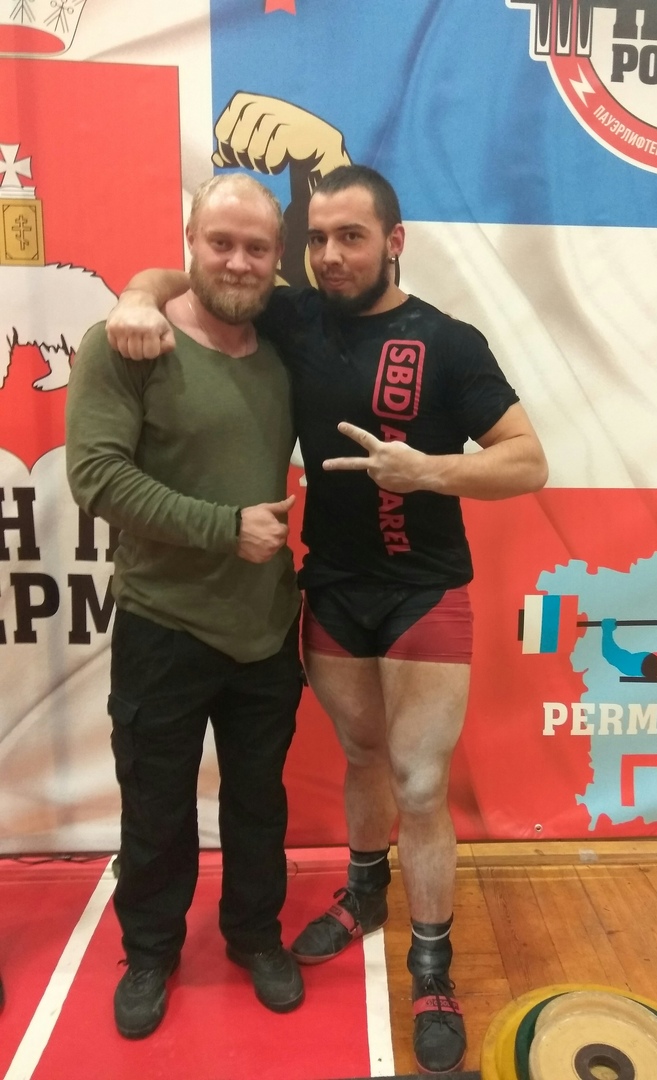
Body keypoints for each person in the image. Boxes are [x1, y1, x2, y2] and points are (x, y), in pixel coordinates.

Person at [105, 164, 549, 1073]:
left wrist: (430, 472)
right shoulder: (294, 314)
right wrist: (137, 296)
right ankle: (362, 891)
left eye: (352, 236)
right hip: (334, 588)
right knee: (362, 757)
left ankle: (432, 969)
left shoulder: (449, 340)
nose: (332, 255)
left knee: (419, 784)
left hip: (424, 590)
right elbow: (192, 277)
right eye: (317, 239)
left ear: (395, 241)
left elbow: (527, 461)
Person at [66, 174, 305, 1040]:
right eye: (220, 243)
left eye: (256, 248)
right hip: (163, 623)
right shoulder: (126, 343)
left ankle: (255, 934)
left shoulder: (286, 344)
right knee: (156, 805)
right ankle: (151, 950)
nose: (238, 262)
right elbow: (95, 477)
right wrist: (222, 528)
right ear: (190, 242)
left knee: (259, 802)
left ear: (278, 258)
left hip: (265, 627)